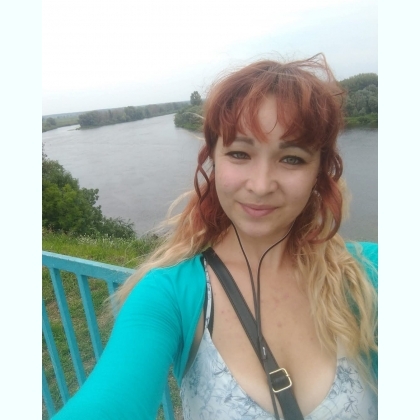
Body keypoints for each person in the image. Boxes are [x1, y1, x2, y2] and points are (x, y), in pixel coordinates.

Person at [53, 53, 378, 420]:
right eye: (239, 153)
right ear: (214, 160)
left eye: (291, 158)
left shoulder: (368, 275)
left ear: (319, 171)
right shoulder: (171, 294)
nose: (260, 185)